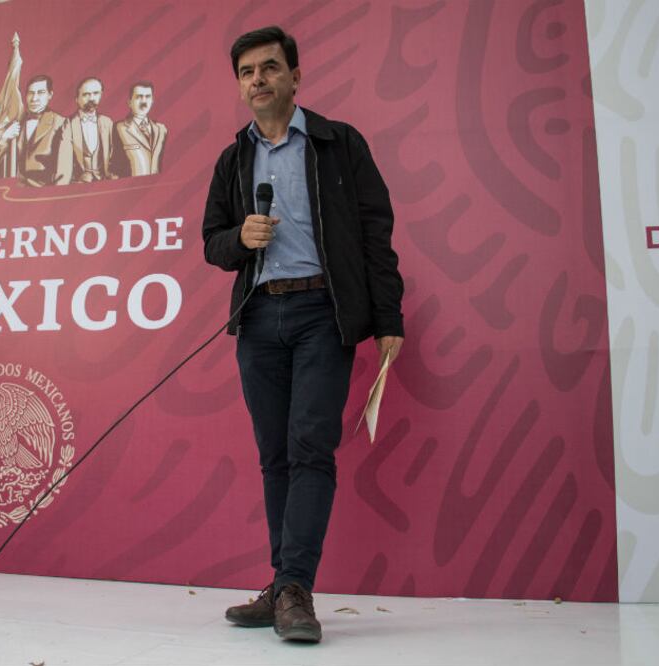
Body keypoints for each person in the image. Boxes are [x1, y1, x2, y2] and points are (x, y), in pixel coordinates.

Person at [201, 25, 404, 643]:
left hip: (324, 312)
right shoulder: (233, 158)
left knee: (310, 447)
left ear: (295, 75)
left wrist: (388, 320)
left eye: (268, 68)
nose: (257, 80)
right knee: (275, 457)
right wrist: (242, 240)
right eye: (246, 73)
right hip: (260, 318)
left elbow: (376, 232)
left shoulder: (339, 144)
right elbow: (212, 242)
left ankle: (294, 589)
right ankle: (282, 583)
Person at [0, 75, 66, 186]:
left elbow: (64, 170)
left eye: (40, 92)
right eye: (30, 93)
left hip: (45, 192)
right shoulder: (16, 122)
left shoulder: (61, 123)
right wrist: (3, 138)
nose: (34, 98)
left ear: (50, 95)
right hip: (15, 191)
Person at [55, 77, 117, 184]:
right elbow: (63, 164)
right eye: (86, 94)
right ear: (77, 99)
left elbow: (114, 156)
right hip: (78, 185)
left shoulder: (107, 122)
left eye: (96, 93)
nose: (91, 98)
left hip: (105, 182)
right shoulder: (68, 124)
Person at [114, 81, 167, 177]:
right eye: (139, 97)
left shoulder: (161, 130)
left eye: (147, 97)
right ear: (129, 102)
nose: (144, 101)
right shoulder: (118, 128)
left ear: (152, 101)